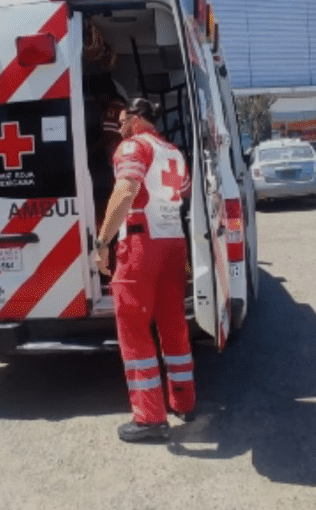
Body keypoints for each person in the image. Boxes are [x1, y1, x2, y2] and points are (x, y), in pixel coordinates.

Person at [94, 97, 195, 443]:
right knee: (174, 327)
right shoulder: (175, 152)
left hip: (141, 247)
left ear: (137, 120)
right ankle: (184, 400)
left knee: (134, 330)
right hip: (173, 245)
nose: (120, 128)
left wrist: (102, 240)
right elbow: (184, 193)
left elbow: (125, 192)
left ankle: (150, 418)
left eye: (123, 120)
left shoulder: (132, 147)